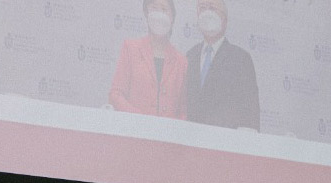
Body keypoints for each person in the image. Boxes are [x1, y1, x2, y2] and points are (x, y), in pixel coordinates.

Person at [184, 0, 259, 130]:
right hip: (191, 140)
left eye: (212, 8)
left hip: (224, 142)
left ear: (225, 19)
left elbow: (251, 112)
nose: (207, 13)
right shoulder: (189, 56)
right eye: (202, 8)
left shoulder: (241, 59)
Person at [109, 0, 187, 119]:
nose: (160, 15)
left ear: (173, 17)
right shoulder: (130, 48)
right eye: (154, 8)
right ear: (146, 14)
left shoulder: (182, 61)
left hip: (167, 134)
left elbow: (183, 109)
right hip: (134, 130)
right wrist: (140, 119)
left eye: (165, 9)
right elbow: (116, 94)